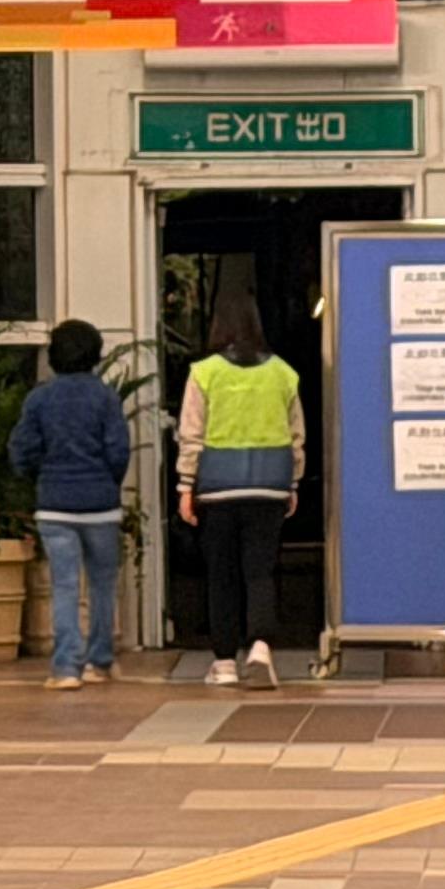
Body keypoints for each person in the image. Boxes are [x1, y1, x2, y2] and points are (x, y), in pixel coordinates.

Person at [175, 278, 304, 685]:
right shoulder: (283, 373)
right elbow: (296, 435)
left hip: (217, 486)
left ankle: (225, 663)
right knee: (260, 570)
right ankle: (261, 646)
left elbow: (191, 433)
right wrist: (293, 484)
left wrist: (185, 486)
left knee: (221, 574)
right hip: (270, 484)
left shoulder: (204, 373)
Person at [8, 317, 132, 691]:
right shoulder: (105, 398)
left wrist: (38, 477)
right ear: (96, 355)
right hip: (101, 505)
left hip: (54, 504)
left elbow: (22, 449)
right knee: (102, 586)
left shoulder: (39, 399)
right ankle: (100, 661)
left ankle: (65, 668)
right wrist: (108, 482)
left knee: (64, 586)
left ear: (53, 355)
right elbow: (118, 450)